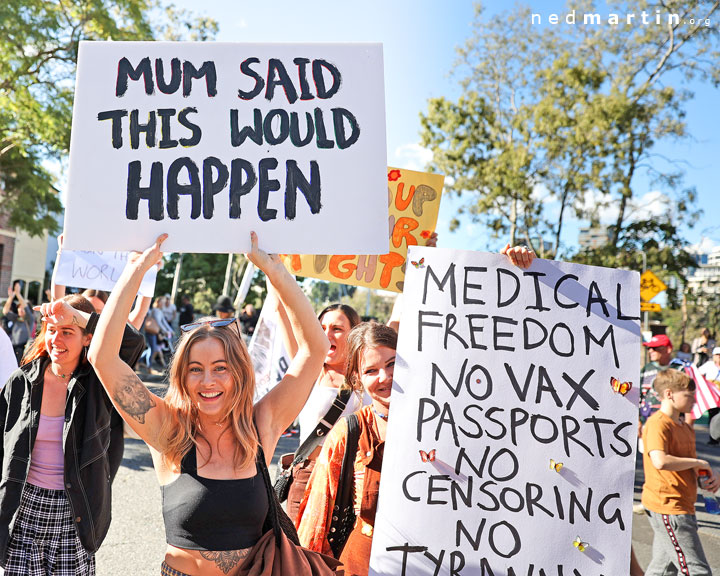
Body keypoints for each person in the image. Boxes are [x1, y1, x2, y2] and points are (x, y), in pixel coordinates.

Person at [87, 232, 330, 576]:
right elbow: (103, 357)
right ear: (182, 378)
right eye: (195, 370)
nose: (208, 382)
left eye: (220, 369)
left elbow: (315, 350)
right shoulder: (166, 429)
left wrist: (274, 270)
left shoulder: (262, 423)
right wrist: (137, 270)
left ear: (239, 374)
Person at [296, 244, 535, 576]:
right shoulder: (350, 433)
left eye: (393, 364)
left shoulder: (451, 418)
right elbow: (316, 523)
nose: (385, 377)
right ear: (357, 379)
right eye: (371, 371)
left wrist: (507, 270)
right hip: (361, 564)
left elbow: (492, 350)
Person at [0, 293, 144, 575]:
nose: (57, 339)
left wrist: (77, 315)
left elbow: (132, 342)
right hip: (23, 507)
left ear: (87, 337)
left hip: (74, 511)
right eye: (52, 331)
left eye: (68, 332)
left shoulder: (99, 383)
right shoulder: (22, 381)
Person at [278, 301, 365, 523]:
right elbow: (284, 314)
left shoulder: (368, 376)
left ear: (354, 335)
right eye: (322, 328)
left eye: (337, 329)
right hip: (307, 475)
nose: (327, 335)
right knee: (299, 552)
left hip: (349, 482)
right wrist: (275, 279)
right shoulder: (311, 371)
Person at [641, 368, 718, 575]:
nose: (693, 400)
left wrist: (705, 479)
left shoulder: (685, 428)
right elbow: (660, 460)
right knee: (697, 570)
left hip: (683, 503)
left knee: (663, 570)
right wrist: (697, 462)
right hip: (669, 506)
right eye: (688, 395)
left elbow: (689, 467)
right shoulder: (658, 424)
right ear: (669, 394)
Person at [639, 334, 674, 424]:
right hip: (646, 421)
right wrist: (638, 420)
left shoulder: (678, 369)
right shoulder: (646, 368)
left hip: (671, 423)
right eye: (649, 348)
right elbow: (638, 395)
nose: (650, 351)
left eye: (655, 348)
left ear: (668, 349)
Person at [2, 282, 35, 363]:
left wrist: (18, 294)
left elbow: (26, 308)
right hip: (12, 348)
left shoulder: (29, 319)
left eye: (22, 308)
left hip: (22, 351)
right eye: (19, 308)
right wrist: (10, 298)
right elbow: (5, 311)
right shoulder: (16, 318)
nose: (20, 310)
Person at [698, 346, 720, 444]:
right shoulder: (709, 365)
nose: (719, 357)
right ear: (714, 356)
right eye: (717, 355)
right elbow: (698, 373)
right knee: (713, 415)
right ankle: (713, 438)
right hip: (712, 396)